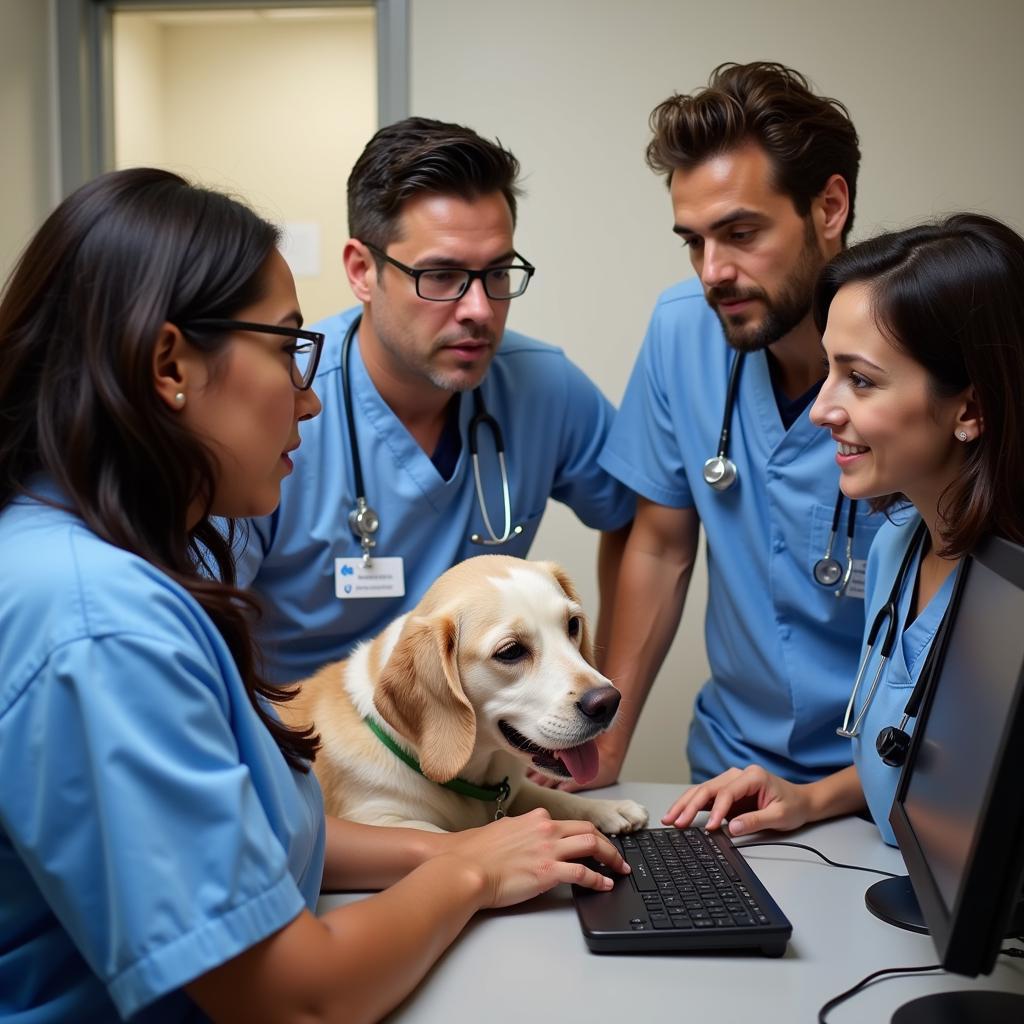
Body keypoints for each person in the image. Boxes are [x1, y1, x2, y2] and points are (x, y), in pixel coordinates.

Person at [0, 168, 628, 1024]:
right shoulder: (103, 628)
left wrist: (473, 842)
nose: (308, 399)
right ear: (170, 364)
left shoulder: (85, 563)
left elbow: (247, 841)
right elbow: (297, 1002)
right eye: (288, 348)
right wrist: (469, 870)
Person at [664, 212, 1024, 845]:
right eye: (830, 370)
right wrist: (807, 799)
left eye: (860, 380)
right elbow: (908, 749)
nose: (822, 411)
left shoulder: (1010, 592)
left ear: (969, 407)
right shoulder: (897, 548)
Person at [235, 116, 635, 684]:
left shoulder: (544, 388)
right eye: (442, 276)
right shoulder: (282, 402)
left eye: (497, 273)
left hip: (471, 752)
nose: (479, 309)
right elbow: (197, 610)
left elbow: (644, 520)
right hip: (306, 752)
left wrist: (598, 684)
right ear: (362, 270)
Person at [574, 62, 882, 790]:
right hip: (730, 766)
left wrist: (839, 793)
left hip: (888, 779)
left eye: (741, 233)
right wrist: (607, 742)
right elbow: (659, 546)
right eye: (694, 240)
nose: (713, 271)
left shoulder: (921, 352)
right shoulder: (684, 329)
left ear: (828, 207)